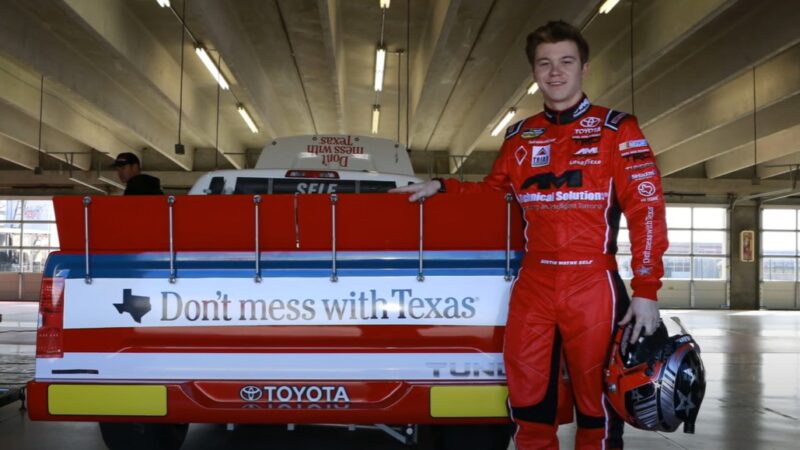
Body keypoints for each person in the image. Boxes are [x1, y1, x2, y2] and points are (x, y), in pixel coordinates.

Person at [392, 20, 668, 450]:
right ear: (534, 72)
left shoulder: (619, 130)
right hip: (534, 282)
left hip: (593, 283)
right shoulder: (521, 135)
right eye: (545, 64)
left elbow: (646, 209)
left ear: (584, 68)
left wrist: (647, 289)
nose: (555, 72)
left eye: (565, 62)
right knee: (527, 398)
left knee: (598, 401)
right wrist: (443, 187)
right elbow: (493, 193)